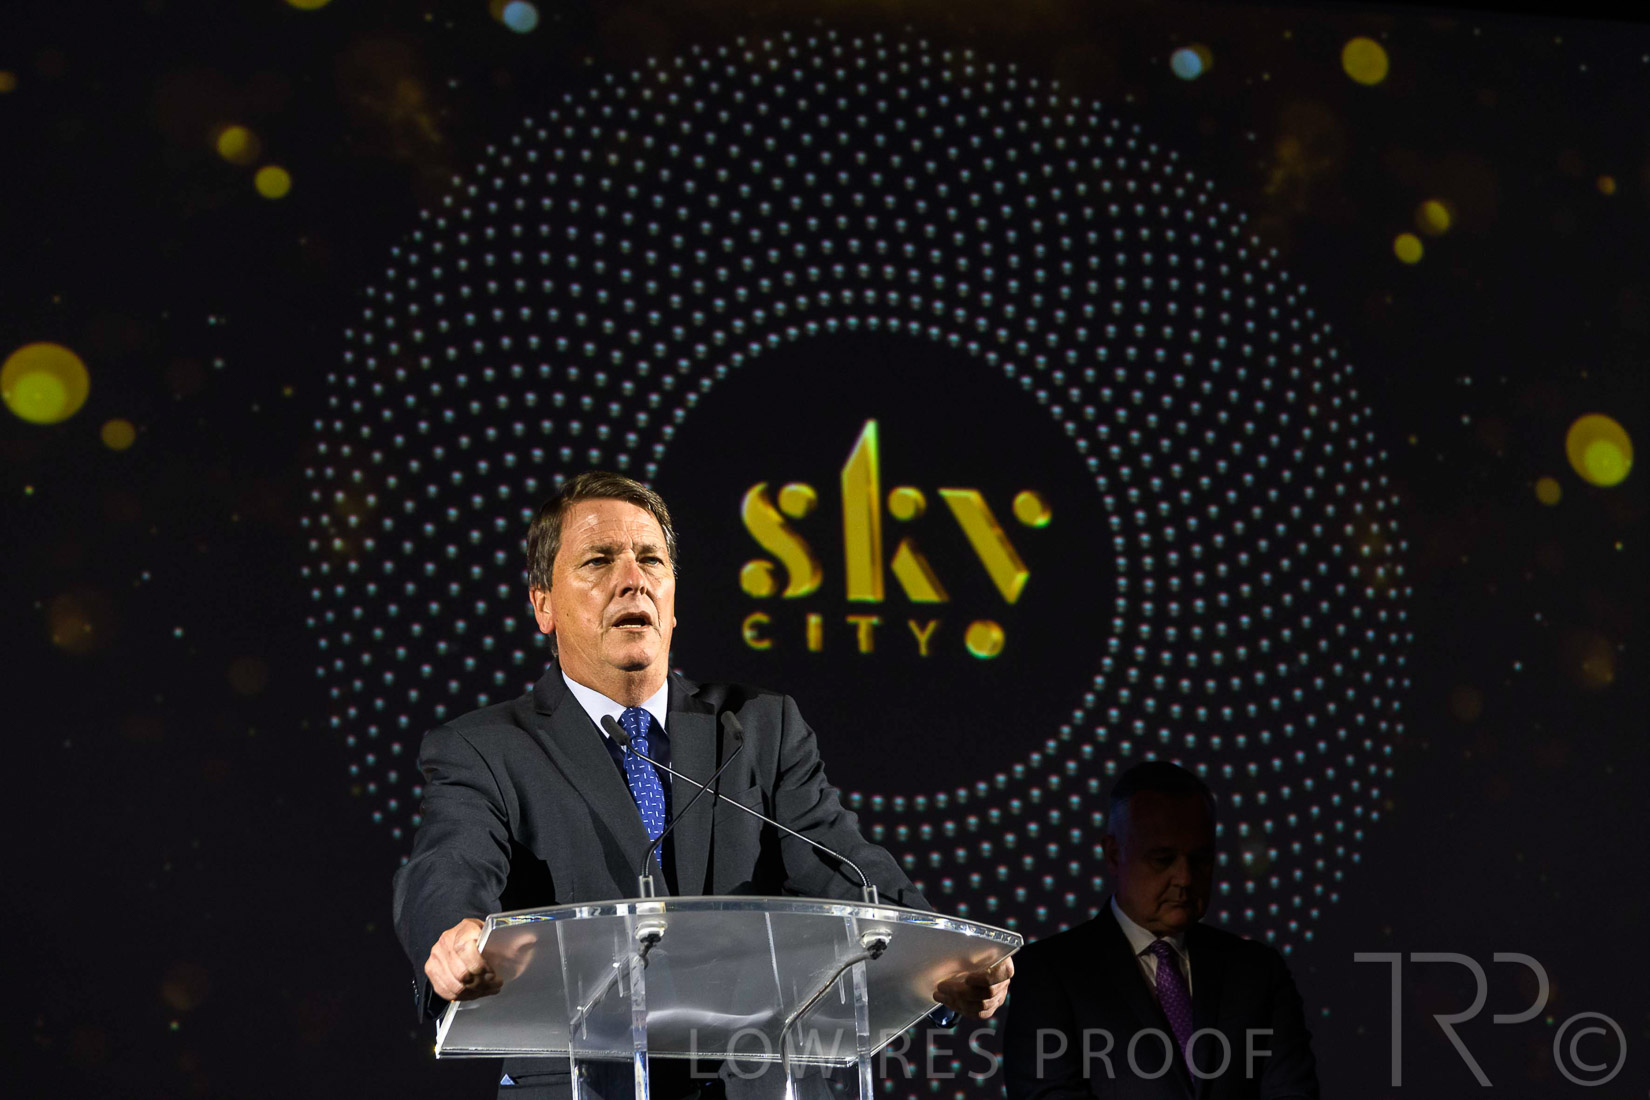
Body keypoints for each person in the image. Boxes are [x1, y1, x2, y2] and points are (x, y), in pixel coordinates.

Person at [392, 471, 1011, 1098]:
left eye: (650, 560)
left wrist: (937, 954)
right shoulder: (486, 747)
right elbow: (448, 863)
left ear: (672, 597)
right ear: (543, 605)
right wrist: (453, 933)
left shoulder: (758, 728)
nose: (632, 579)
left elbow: (843, 864)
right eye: (599, 561)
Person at [1002, 761, 1318, 1099]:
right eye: (1162, 859)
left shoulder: (1259, 972)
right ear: (1113, 854)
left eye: (1200, 859)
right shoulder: (1047, 973)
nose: (1185, 879)